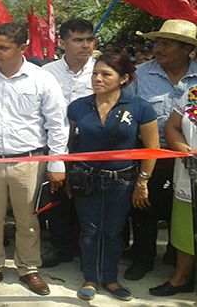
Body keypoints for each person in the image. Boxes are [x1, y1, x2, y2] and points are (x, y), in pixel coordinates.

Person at [0, 22, 68, 296]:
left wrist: (56, 163)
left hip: (30, 162)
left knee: (28, 220)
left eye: (4, 48)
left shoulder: (42, 79)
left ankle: (28, 268)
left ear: (22, 48)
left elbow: (57, 124)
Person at [67, 53, 159, 301]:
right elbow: (69, 144)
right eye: (95, 73)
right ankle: (90, 278)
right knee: (89, 231)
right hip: (86, 179)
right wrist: (68, 175)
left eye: (106, 74)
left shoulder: (141, 108)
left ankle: (110, 278)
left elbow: (151, 148)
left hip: (122, 181)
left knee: (113, 231)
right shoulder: (78, 106)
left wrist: (142, 182)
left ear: (124, 78)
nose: (98, 78)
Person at [126, 19, 197, 280]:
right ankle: (142, 259)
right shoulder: (140, 75)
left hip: (188, 158)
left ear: (186, 48)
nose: (158, 48)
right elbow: (128, 111)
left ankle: (176, 257)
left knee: (180, 212)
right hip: (149, 155)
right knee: (144, 208)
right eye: (157, 42)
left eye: (166, 44)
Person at [41, 18, 96, 268]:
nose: (85, 45)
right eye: (78, 40)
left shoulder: (102, 71)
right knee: (58, 198)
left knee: (89, 199)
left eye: (89, 40)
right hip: (55, 145)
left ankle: (89, 250)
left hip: (92, 146)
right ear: (62, 43)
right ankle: (60, 248)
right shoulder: (46, 73)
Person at [150, 86, 197, 296]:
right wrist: (184, 150)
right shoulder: (193, 92)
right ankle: (181, 278)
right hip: (189, 174)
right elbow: (172, 127)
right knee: (185, 229)